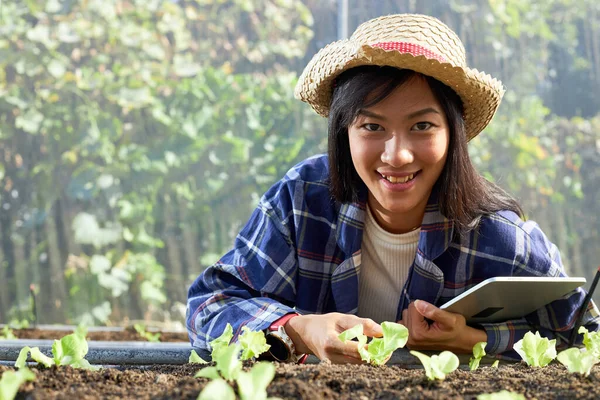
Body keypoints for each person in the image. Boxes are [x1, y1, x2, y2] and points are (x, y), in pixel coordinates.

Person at [186, 14, 599, 363]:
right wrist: (298, 328)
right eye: (372, 126)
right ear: (343, 131)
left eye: (422, 126)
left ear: (453, 135)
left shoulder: (500, 237)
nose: (396, 155)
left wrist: (473, 341)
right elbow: (210, 303)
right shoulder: (302, 200)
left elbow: (587, 339)